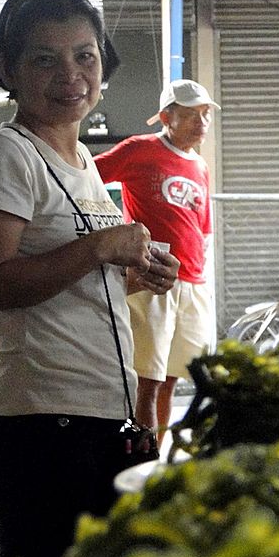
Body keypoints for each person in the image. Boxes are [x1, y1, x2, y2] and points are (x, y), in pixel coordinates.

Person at [0, 0, 179, 557]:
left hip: (93, 419)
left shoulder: (82, 156)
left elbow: (71, 281)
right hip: (37, 428)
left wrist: (135, 273)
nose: (71, 75)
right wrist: (100, 249)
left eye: (85, 55)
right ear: (9, 69)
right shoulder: (6, 152)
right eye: (44, 58)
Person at [94, 79, 218, 444]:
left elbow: (203, 226)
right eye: (192, 114)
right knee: (145, 383)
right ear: (166, 116)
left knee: (171, 380)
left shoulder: (200, 165)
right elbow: (84, 181)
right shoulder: (138, 149)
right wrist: (110, 233)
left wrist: (203, 273)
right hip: (153, 280)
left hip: (193, 283)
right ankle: (138, 467)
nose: (202, 122)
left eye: (206, 114)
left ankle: (155, 461)